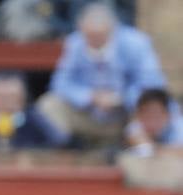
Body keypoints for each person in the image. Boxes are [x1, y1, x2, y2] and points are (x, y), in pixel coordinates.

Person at [35, 1, 166, 148]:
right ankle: (68, 150)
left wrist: (119, 99)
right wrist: (90, 96)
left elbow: (153, 85)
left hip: (126, 114)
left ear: (112, 29)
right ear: (81, 30)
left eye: (99, 37)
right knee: (49, 105)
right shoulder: (76, 43)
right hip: (88, 113)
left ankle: (143, 152)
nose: (94, 42)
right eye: (90, 37)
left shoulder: (136, 43)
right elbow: (60, 83)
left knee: (151, 107)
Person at [125, 88, 183, 155]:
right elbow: (145, 148)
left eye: (157, 116)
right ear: (138, 116)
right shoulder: (135, 127)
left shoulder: (179, 127)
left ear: (167, 115)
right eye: (147, 116)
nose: (152, 122)